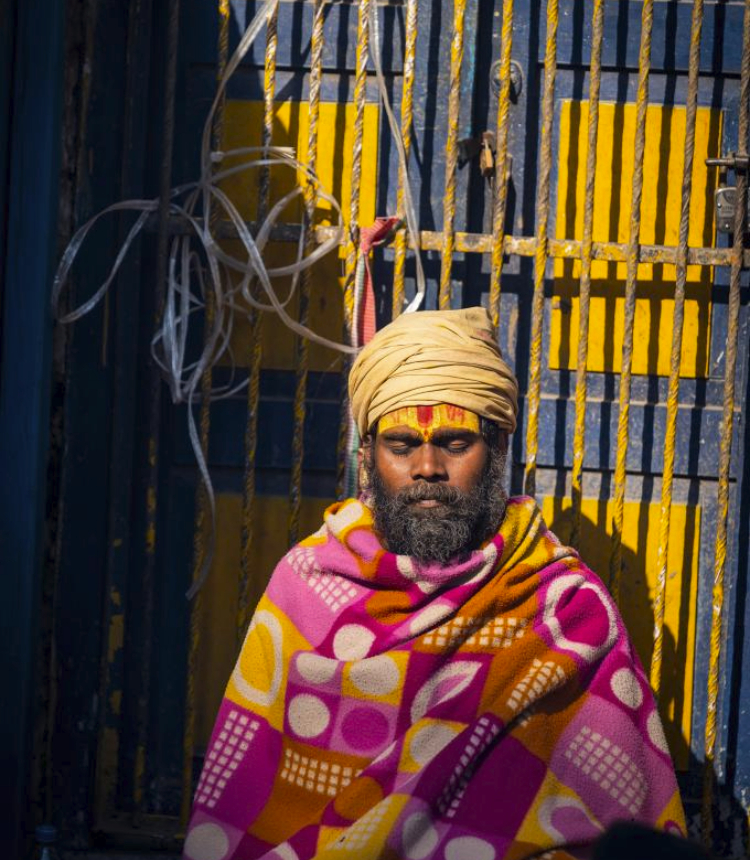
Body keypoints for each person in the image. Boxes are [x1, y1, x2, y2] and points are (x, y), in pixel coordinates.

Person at [182, 307, 686, 860]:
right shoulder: (306, 583)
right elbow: (247, 795)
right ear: (368, 456)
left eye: (454, 443)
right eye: (401, 446)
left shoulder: (565, 607)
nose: (427, 467)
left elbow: (611, 823)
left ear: (496, 450)